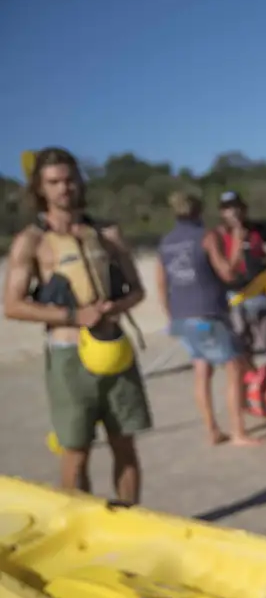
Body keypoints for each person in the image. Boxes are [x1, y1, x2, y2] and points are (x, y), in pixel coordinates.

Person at [3, 147, 151, 502]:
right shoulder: (31, 241)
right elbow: (12, 305)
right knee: (76, 450)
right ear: (40, 188)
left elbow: (138, 290)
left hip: (114, 348)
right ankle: (79, 533)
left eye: (69, 180)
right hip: (69, 356)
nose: (64, 188)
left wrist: (116, 305)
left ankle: (130, 522)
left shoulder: (107, 234)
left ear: (79, 181)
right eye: (54, 182)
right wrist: (73, 316)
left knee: (124, 443)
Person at [156, 191, 260, 446]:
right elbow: (227, 272)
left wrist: (171, 315)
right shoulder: (206, 236)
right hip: (208, 314)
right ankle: (238, 432)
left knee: (201, 370)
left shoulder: (166, 242)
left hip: (181, 316)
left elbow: (161, 282)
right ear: (198, 211)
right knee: (233, 367)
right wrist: (236, 242)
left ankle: (212, 429)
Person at [217, 191, 266, 367]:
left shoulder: (258, 229)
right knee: (243, 346)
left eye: (236, 207)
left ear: (244, 209)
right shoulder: (217, 236)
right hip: (235, 296)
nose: (233, 212)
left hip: (260, 292)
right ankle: (252, 381)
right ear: (222, 213)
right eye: (228, 209)